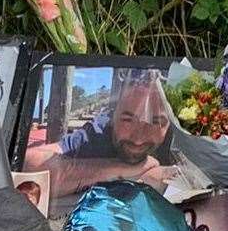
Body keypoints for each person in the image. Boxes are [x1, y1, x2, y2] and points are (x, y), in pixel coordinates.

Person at [24, 69, 174, 206]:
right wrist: (125, 170)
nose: (138, 139)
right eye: (128, 119)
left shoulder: (186, 133)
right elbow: (28, 165)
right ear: (112, 114)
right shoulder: (98, 132)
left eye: (156, 122)